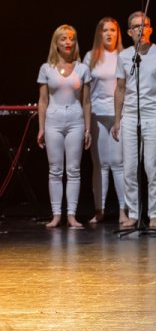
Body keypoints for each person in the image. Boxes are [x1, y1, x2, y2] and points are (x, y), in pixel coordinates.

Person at [112, 12, 156, 228]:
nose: (141, 29)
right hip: (130, 115)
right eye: (136, 26)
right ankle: (135, 213)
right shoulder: (124, 56)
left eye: (145, 25)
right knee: (129, 167)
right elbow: (120, 88)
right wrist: (117, 119)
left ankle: (155, 213)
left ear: (151, 29)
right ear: (129, 32)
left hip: (153, 114)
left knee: (152, 166)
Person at [37, 25, 92, 229]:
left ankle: (71, 215)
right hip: (54, 119)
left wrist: (88, 129)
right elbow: (43, 101)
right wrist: (41, 128)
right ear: (56, 43)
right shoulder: (46, 68)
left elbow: (87, 102)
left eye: (71, 38)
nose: (68, 42)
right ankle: (56, 215)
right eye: (63, 39)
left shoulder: (82, 68)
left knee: (74, 169)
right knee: (55, 169)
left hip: (76, 119)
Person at [83, 17, 125, 224]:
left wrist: (119, 118)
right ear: (99, 34)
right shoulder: (91, 56)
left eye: (113, 30)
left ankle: (123, 211)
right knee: (99, 164)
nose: (109, 34)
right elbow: (86, 91)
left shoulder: (123, 56)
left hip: (119, 115)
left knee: (118, 163)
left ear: (118, 33)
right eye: (105, 30)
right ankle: (99, 209)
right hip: (97, 115)